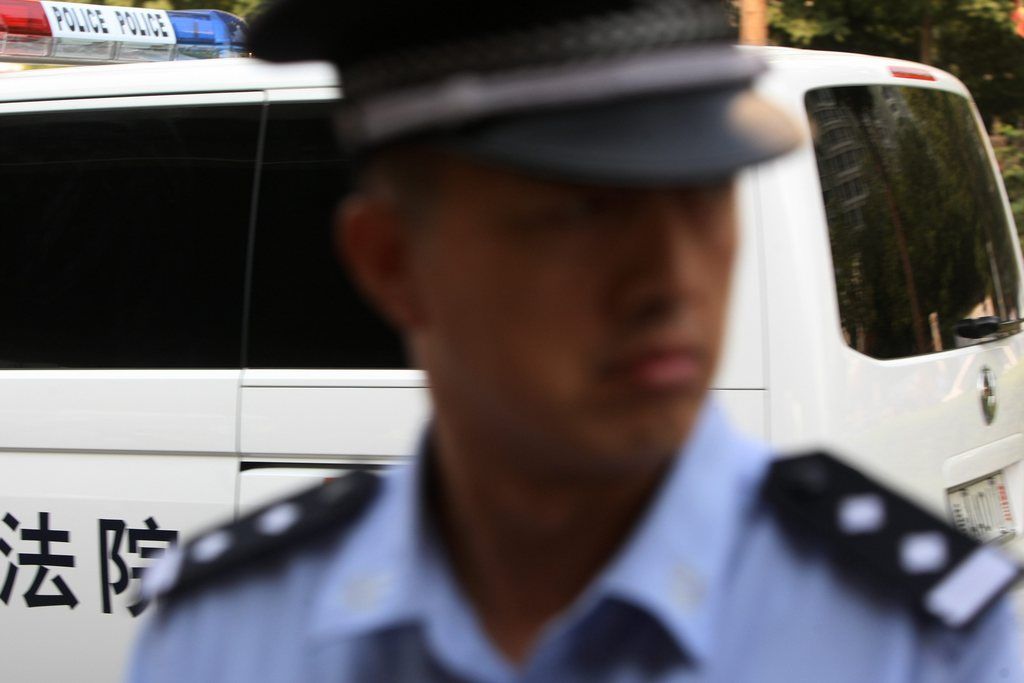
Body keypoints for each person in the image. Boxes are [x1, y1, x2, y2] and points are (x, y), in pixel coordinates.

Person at [128, 0, 1024, 681]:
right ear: (389, 259)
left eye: (705, 197)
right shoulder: (238, 630)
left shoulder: (917, 632)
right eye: (585, 212)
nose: (673, 279)